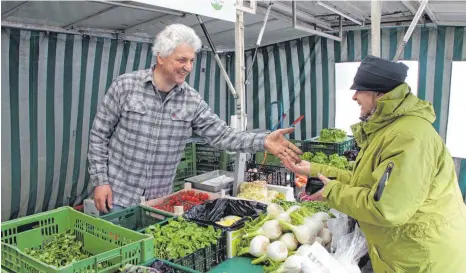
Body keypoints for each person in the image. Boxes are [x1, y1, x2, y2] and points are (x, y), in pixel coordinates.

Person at [88, 24, 302, 214]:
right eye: (181, 60)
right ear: (160, 56)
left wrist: (262, 140)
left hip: (159, 203)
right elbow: (99, 135)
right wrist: (101, 182)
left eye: (191, 60)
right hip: (117, 196)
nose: (188, 67)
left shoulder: (191, 100)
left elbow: (222, 135)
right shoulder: (125, 86)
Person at [282, 55, 466, 273]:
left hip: (423, 258)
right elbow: (367, 182)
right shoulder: (390, 130)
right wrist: (314, 169)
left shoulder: (409, 137)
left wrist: (331, 192)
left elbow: (388, 208)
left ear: (379, 94)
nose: (354, 97)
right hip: (404, 251)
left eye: (360, 89)